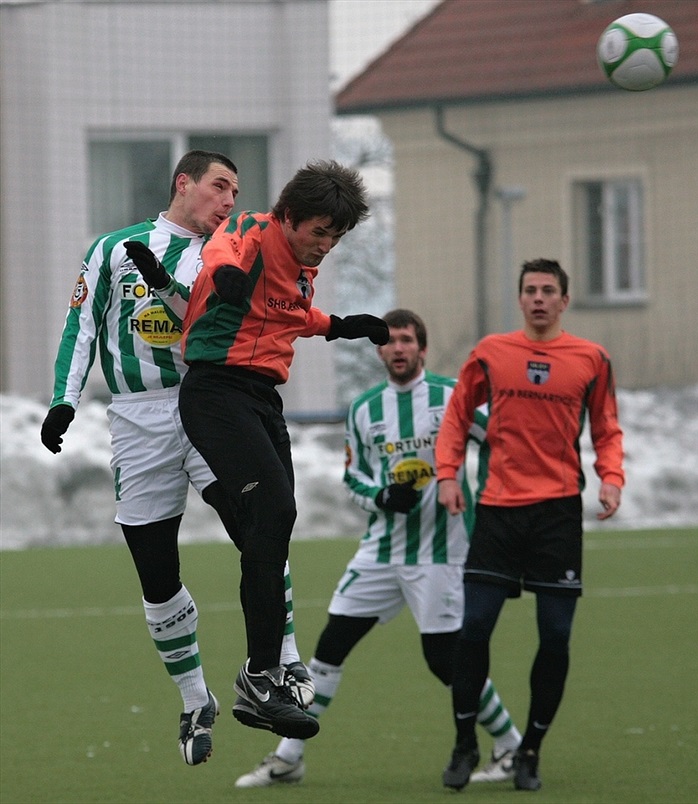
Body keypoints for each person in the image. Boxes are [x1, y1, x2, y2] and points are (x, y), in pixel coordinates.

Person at [40, 149, 311, 767]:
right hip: (138, 419)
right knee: (157, 572)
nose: (230, 200)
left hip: (211, 402)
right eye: (220, 186)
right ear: (182, 183)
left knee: (263, 529)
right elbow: (81, 326)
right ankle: (195, 699)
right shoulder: (113, 249)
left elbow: (216, 319)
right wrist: (63, 400)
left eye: (236, 191)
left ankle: (283, 663)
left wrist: (168, 286)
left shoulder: (235, 249)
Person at [146, 159, 389, 742]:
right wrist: (228, 277)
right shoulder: (253, 229)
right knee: (273, 510)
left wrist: (343, 325)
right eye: (319, 232)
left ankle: (265, 680)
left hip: (261, 399)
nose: (325, 245)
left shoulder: (304, 271)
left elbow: (294, 315)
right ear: (289, 216)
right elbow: (221, 253)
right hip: (215, 391)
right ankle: (262, 674)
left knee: (272, 527)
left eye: (336, 237)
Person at [234, 308, 522, 788]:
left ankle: (510, 744)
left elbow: (500, 440)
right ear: (379, 350)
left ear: (422, 348)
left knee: (444, 660)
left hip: (441, 553)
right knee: (330, 648)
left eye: (407, 339)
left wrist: (490, 496)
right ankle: (288, 757)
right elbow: (354, 477)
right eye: (389, 341)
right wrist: (381, 496)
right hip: (381, 552)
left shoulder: (452, 395)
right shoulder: (364, 409)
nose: (398, 348)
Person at [436, 258, 625, 792]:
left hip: (557, 513)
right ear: (520, 299)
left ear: (564, 300)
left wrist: (612, 477)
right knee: (474, 629)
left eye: (548, 290)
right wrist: (447, 474)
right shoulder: (492, 352)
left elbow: (607, 427)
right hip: (498, 509)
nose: (538, 298)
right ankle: (465, 742)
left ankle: (531, 751)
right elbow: (457, 415)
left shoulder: (591, 358)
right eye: (530, 290)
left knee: (557, 636)